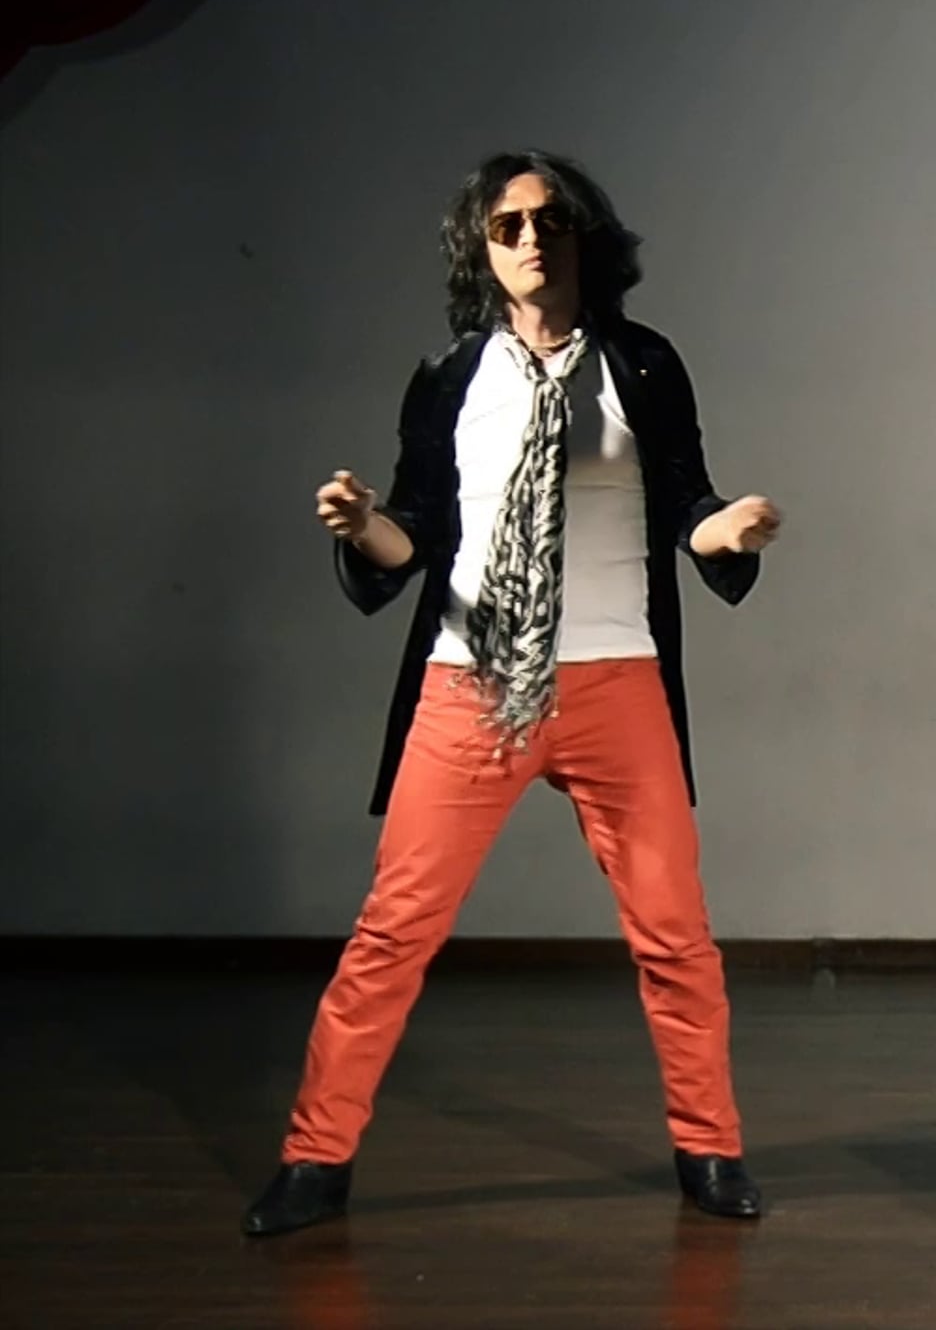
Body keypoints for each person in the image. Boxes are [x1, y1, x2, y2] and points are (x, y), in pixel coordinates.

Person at [243, 150, 783, 1236]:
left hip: (615, 678)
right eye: (507, 226)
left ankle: (711, 1149)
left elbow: (688, 500)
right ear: (480, 250)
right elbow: (414, 536)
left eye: (550, 220)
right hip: (473, 683)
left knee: (676, 935)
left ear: (585, 236)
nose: (532, 239)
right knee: (392, 932)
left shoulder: (643, 365)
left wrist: (725, 532)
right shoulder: (450, 377)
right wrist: (363, 526)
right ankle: (314, 1161)